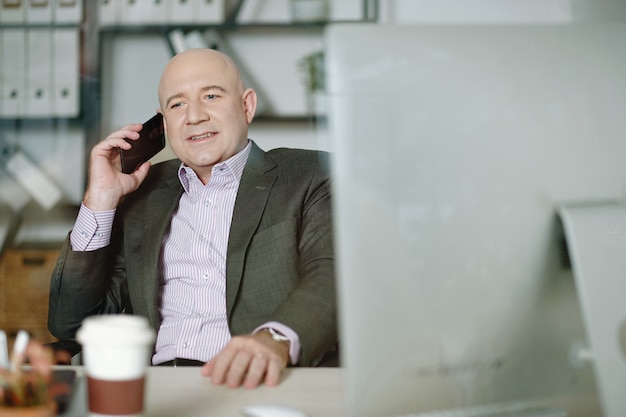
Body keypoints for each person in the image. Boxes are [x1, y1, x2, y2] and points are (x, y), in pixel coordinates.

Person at [47, 48, 337, 389]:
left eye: (211, 96)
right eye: (177, 104)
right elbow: (72, 323)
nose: (194, 116)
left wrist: (275, 339)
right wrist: (100, 199)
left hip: (254, 383)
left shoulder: (308, 175)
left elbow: (331, 273)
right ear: (163, 123)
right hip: (156, 389)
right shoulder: (143, 196)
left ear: (247, 106)